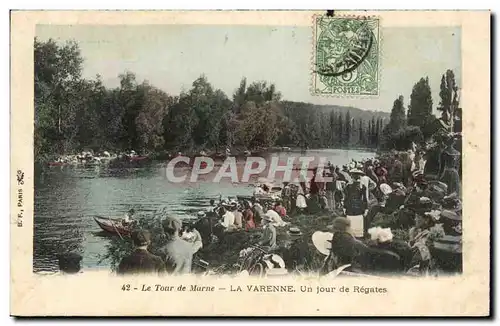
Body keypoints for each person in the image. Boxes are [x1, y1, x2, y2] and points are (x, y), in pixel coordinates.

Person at [344, 169, 369, 238]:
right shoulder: (362, 186)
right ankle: (358, 235)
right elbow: (365, 199)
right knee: (358, 219)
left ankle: (350, 235)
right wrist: (366, 208)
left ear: (352, 177)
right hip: (359, 206)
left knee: (351, 219)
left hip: (350, 205)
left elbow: (346, 197)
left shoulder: (348, 186)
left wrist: (344, 207)